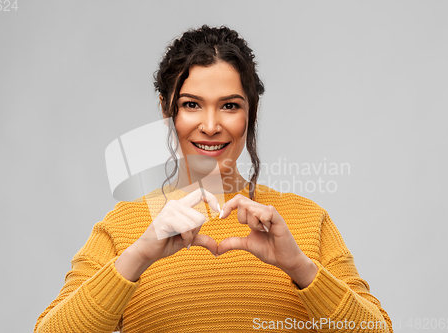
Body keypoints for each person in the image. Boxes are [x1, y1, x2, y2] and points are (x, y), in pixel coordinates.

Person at [35, 25, 393, 333]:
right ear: (166, 109)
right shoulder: (124, 228)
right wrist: (140, 254)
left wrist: (300, 268)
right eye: (191, 104)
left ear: (251, 111)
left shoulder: (306, 221)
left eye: (230, 105)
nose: (210, 125)